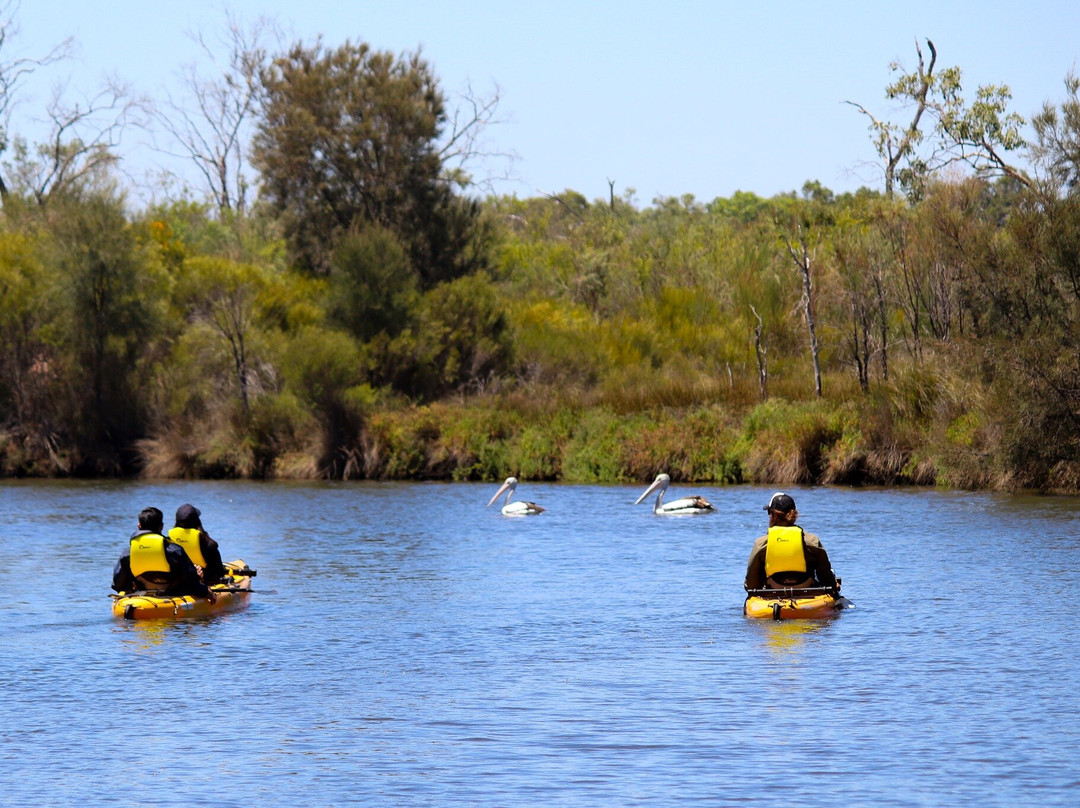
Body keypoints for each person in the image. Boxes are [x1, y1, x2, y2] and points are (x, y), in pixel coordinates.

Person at [112, 506, 215, 600]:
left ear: (139, 526)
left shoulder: (127, 554)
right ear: (161, 526)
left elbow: (118, 585)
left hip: (141, 597)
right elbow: (191, 582)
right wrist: (204, 589)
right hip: (173, 594)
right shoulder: (175, 551)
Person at [744, 492, 838, 592]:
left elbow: (751, 584)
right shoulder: (813, 541)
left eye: (769, 513)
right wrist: (834, 585)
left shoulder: (761, 543)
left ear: (774, 516)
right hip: (807, 593)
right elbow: (826, 578)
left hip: (771, 593)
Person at [168, 503, 226, 585]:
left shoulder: (168, 542)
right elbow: (219, 572)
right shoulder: (209, 545)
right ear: (197, 521)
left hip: (176, 583)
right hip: (205, 583)